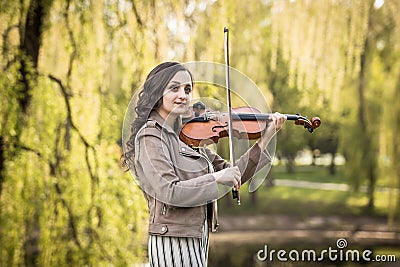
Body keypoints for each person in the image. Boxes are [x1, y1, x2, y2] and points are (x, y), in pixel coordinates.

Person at [124, 62, 286, 267]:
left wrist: (266, 138)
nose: (183, 95)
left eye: (187, 89)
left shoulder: (187, 138)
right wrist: (216, 178)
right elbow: (169, 192)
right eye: (174, 88)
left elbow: (233, 173)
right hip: (172, 239)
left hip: (197, 235)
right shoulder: (150, 136)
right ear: (157, 93)